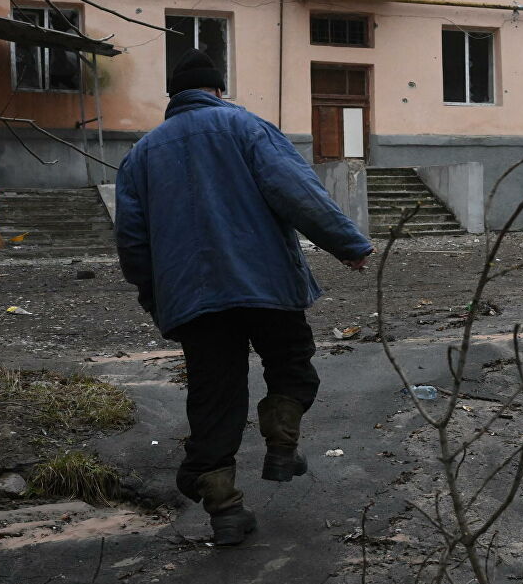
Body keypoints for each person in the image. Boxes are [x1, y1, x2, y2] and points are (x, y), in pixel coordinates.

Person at [114, 49, 373, 547]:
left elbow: (132, 239)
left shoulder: (142, 153)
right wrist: (348, 245)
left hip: (192, 298)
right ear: (216, 89)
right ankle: (280, 445)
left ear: (175, 98)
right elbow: (296, 190)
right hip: (266, 283)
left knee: (214, 395)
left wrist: (156, 295)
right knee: (291, 364)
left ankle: (224, 508)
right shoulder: (246, 127)